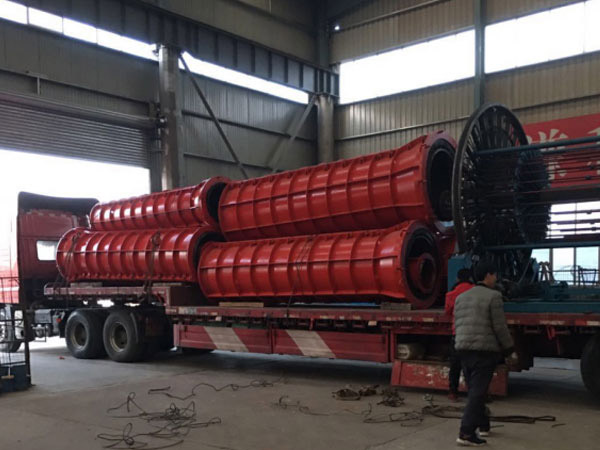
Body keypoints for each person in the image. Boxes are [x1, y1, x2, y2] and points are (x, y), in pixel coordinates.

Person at [454, 260, 515, 447]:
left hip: (463, 348)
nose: (496, 278)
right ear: (488, 275)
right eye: (494, 275)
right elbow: (500, 327)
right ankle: (466, 433)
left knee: (475, 390)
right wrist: (509, 350)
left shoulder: (461, 297)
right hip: (484, 350)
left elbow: (457, 324)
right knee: (477, 393)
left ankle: (483, 424)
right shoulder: (493, 296)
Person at [445, 268, 474, 401]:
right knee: (472, 365)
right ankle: (474, 393)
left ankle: (453, 392)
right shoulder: (476, 291)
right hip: (473, 334)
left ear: (457, 278)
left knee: (455, 365)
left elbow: (448, 311)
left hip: (458, 333)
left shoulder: (452, 294)